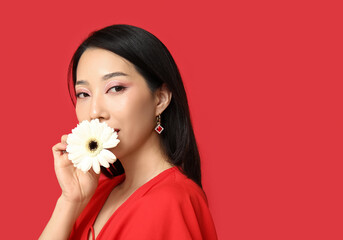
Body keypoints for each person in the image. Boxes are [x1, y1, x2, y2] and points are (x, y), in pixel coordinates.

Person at [39, 24, 218, 240]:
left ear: (160, 99)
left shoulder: (170, 201)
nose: (95, 112)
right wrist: (70, 200)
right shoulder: (97, 194)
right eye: (83, 93)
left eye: (116, 88)